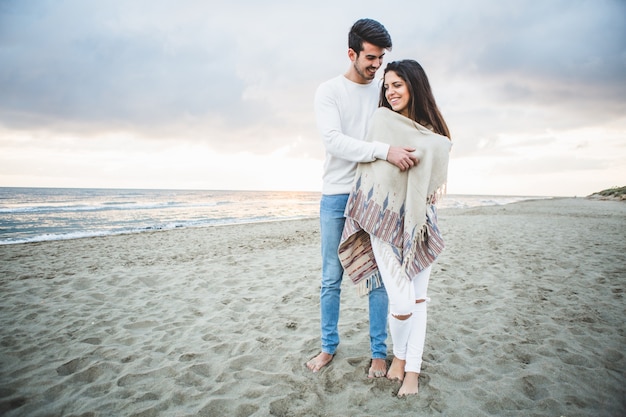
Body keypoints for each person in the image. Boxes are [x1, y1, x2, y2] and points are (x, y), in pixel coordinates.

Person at [306, 19, 419, 376]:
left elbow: (408, 120)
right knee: (330, 277)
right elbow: (334, 141)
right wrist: (384, 150)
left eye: (381, 58)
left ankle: (378, 353)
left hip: (374, 196)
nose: (376, 65)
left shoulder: (380, 91)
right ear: (352, 53)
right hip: (337, 195)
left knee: (379, 277)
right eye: (370, 57)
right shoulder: (329, 91)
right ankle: (327, 348)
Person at [338, 59, 452, 396]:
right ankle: (399, 358)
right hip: (382, 223)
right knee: (401, 303)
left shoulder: (432, 132)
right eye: (387, 86)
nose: (390, 92)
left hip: (420, 225)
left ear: (414, 85)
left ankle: (409, 368)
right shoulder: (381, 121)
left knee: (418, 301)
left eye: (397, 85)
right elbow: (368, 169)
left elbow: (437, 159)